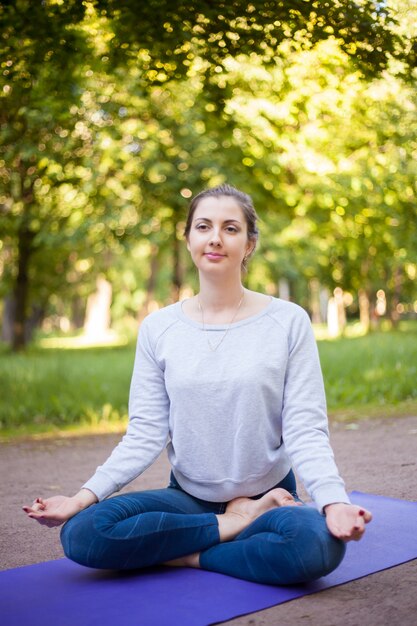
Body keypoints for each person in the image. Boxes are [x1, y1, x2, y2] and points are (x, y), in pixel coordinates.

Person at [23, 184, 372, 585]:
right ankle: (230, 528)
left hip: (270, 498)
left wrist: (333, 502)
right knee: (84, 533)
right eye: (203, 226)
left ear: (249, 243)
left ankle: (188, 552)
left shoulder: (288, 321)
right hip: (188, 499)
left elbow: (305, 429)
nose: (215, 238)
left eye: (230, 228)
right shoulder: (159, 328)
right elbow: (145, 433)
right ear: (188, 238)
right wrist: (81, 497)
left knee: (317, 545)